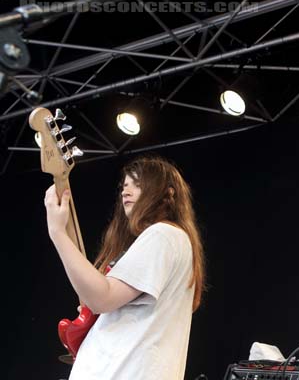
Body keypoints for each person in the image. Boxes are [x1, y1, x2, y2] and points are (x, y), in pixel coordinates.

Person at [44, 156, 205, 380]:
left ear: (168, 194)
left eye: (137, 184)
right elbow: (102, 301)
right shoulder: (166, 241)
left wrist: (58, 234)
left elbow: (103, 297)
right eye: (124, 186)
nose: (125, 192)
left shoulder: (163, 235)